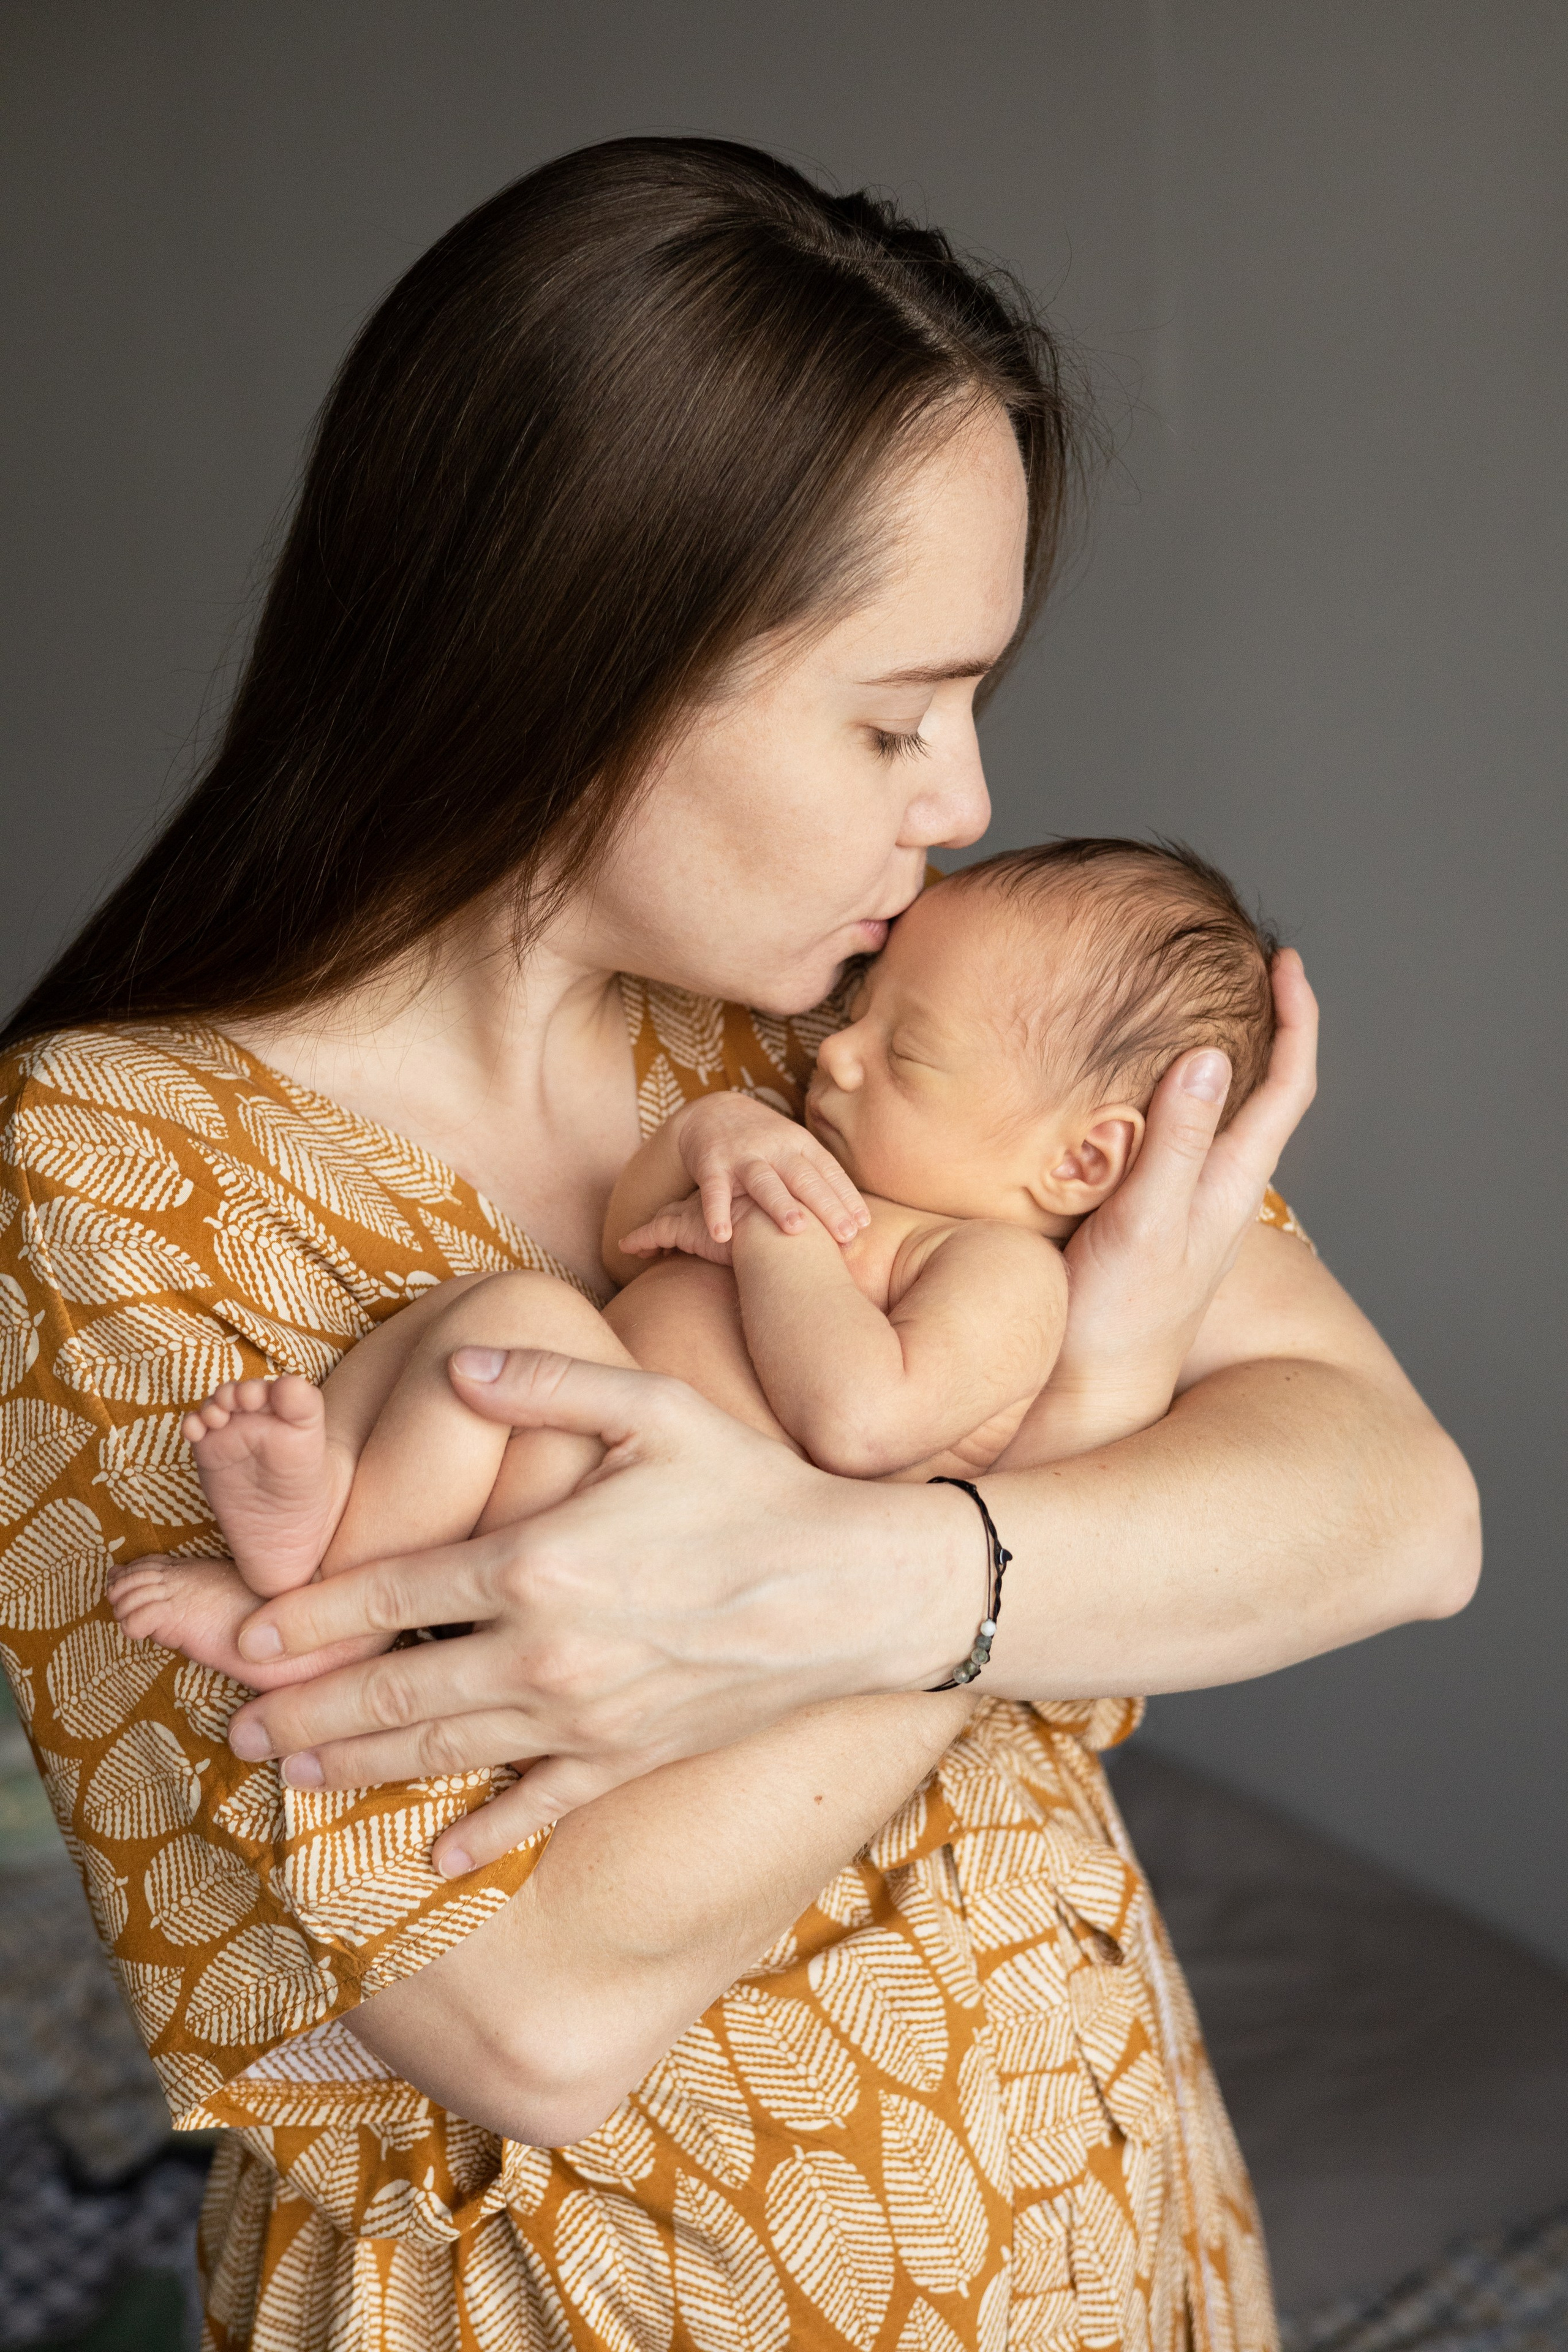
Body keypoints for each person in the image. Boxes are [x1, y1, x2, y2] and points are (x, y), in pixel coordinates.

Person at [0, 138, 1479, 2352]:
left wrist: (868, 1574)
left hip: (1111, 2223)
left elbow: (1392, 1510)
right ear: (583, 658)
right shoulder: (111, 1161)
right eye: (893, 716)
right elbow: (527, 2015)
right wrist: (1080, 1444)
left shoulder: (840, 1017)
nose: (966, 802)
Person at [109, 837, 1284, 1695]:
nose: (840, 1061)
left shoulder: (998, 1272)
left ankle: (315, 1613)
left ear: (1085, 1160)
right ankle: (321, 1519)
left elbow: (863, 1426)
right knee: (503, 1320)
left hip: (666, 1550)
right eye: (858, 1018)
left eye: (909, 1053)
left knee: (523, 1343)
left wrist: (781, 1237)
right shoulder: (832, 1173)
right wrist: (708, 1137)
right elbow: (630, 1241)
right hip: (571, 1467)